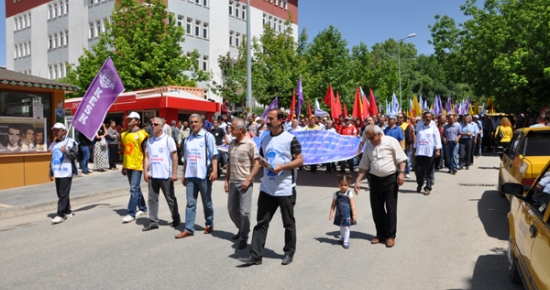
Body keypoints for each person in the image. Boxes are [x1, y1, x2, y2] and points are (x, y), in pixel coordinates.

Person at [240, 109, 303, 266]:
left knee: (288, 223)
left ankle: (289, 252)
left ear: (281, 120)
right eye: (267, 118)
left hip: (285, 188)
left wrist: (283, 167)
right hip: (267, 187)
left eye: (271, 118)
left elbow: (300, 160)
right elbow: (261, 159)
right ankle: (255, 255)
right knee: (261, 222)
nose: (268, 121)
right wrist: (261, 165)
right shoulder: (265, 138)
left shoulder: (290, 139)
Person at [354, 125, 407, 248]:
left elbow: (401, 159)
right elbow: (364, 164)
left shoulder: (391, 141)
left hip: (390, 179)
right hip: (375, 180)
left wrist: (402, 173)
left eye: (372, 138)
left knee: (390, 208)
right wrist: (358, 181)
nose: (370, 140)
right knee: (377, 209)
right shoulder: (368, 146)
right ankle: (380, 234)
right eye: (368, 138)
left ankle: (390, 236)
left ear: (379, 134)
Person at [175, 114, 218, 239]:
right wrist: (183, 174)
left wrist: (214, 171)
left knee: (207, 202)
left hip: (203, 175)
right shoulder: (187, 139)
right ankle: (189, 229)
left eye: (196, 122)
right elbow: (186, 159)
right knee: (190, 203)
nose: (193, 124)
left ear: (201, 123)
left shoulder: (207, 137)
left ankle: (209, 223)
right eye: (192, 122)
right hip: (190, 176)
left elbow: (214, 156)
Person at [224, 119, 261, 250]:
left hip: (245, 183)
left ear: (240, 129)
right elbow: (229, 163)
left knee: (244, 212)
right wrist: (226, 180)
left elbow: (258, 163)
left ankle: (244, 236)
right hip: (233, 181)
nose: (230, 130)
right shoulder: (232, 143)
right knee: (232, 210)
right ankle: (241, 228)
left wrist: (249, 179)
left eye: (233, 128)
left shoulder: (250, 144)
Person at [142, 117, 180, 231]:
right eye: (151, 124)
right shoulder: (150, 141)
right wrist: (145, 172)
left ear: (162, 126)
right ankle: (153, 221)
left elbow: (174, 156)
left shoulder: (168, 139)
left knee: (170, 198)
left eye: (155, 124)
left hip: (165, 175)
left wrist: (174, 173)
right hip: (153, 175)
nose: (152, 126)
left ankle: (176, 218)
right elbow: (147, 157)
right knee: (152, 199)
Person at [121, 112, 149, 223]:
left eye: (131, 119)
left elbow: (146, 152)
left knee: (133, 189)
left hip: (138, 165)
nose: (129, 120)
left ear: (137, 121)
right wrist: (123, 166)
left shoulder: (143, 134)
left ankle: (131, 213)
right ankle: (142, 207)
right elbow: (125, 151)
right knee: (136, 188)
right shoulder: (124, 135)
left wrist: (146, 167)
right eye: (128, 118)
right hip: (128, 165)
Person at [49, 123, 78, 224]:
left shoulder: (71, 142)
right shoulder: (54, 144)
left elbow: (74, 156)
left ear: (64, 131)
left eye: (57, 130)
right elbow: (52, 158)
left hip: (66, 172)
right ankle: (68, 211)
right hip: (57, 172)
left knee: (63, 194)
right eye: (54, 130)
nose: (55, 132)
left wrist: (65, 151)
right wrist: (50, 171)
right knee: (61, 193)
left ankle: (60, 215)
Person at [413, 112, 442, 195]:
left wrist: (438, 150)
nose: (428, 118)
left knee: (429, 171)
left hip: (429, 152)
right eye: (426, 117)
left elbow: (437, 139)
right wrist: (414, 148)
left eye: (429, 117)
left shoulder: (434, 128)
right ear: (423, 118)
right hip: (419, 152)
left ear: (431, 118)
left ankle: (428, 187)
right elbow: (417, 138)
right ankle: (420, 183)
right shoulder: (419, 126)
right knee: (417, 170)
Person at [329, 175, 357, 249]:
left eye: (345, 185)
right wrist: (331, 213)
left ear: (348, 185)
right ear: (338, 185)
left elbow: (352, 205)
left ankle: (346, 240)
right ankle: (342, 237)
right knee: (341, 226)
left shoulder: (349, 194)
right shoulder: (336, 194)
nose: (343, 187)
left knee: (346, 227)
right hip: (339, 214)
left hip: (347, 214)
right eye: (341, 185)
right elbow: (333, 204)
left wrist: (354, 215)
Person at [397, 114, 414, 179]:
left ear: (403, 118)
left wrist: (409, 144)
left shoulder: (406, 125)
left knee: (407, 159)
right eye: (398, 117)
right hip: (397, 145)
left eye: (400, 117)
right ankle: (399, 172)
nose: (399, 119)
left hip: (405, 145)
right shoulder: (395, 125)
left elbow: (409, 135)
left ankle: (407, 172)